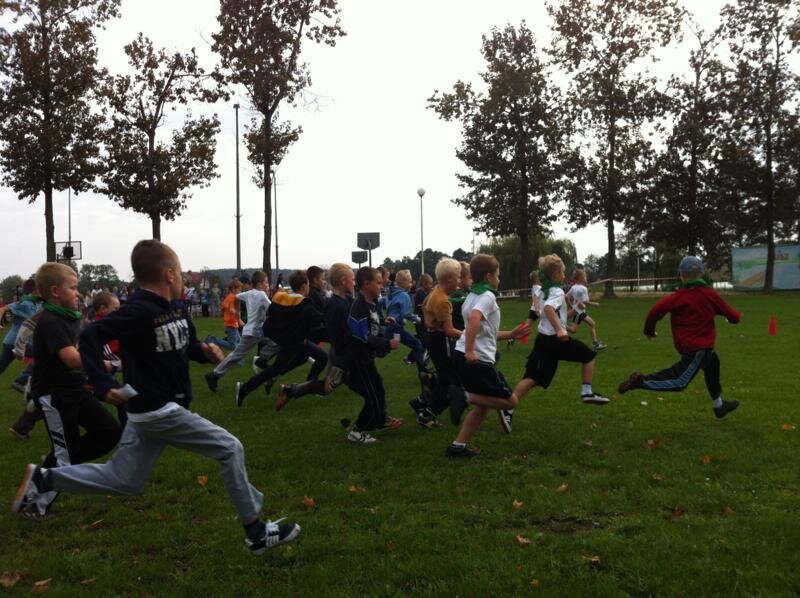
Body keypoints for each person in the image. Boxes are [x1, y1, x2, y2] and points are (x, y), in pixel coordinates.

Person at [13, 240, 300, 554]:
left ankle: (45, 479)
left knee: (124, 480)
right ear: (169, 274)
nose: (181, 277)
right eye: (180, 271)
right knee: (230, 448)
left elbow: (187, 345)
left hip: (149, 411)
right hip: (157, 409)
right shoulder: (138, 310)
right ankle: (256, 532)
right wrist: (103, 384)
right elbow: (92, 337)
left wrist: (205, 353)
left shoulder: (177, 308)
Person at [16, 263, 122, 515]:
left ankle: (49, 467)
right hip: (55, 396)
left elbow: (86, 346)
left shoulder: (71, 316)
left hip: (77, 390)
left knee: (109, 432)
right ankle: (33, 505)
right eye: (73, 288)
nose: (78, 293)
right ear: (55, 291)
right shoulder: (50, 321)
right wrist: (107, 365)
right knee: (65, 454)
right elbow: (73, 359)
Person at [497, 255, 610, 447]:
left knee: (534, 377)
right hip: (555, 340)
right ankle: (587, 391)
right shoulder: (556, 291)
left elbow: (552, 312)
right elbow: (549, 309)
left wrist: (573, 311)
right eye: (563, 272)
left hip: (544, 339)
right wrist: (560, 330)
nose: (565, 275)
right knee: (589, 356)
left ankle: (507, 408)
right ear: (556, 273)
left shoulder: (544, 290)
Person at [617, 256, 741, 419]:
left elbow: (654, 312)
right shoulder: (710, 295)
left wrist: (650, 331)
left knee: (712, 364)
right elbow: (734, 316)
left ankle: (719, 406)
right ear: (702, 273)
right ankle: (641, 381)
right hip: (698, 347)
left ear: (681, 275)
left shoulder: (677, 297)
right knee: (680, 381)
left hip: (692, 347)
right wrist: (730, 317)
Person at [445, 255, 530, 458]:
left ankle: (458, 446)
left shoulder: (472, 296)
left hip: (462, 356)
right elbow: (475, 319)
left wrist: (511, 334)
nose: (499, 279)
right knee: (510, 402)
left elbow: (484, 331)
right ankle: (463, 397)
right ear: (489, 276)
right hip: (477, 360)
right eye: (498, 275)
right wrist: (470, 350)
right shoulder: (487, 296)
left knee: (483, 405)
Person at [328, 266, 403, 444]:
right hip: (357, 359)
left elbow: (372, 322)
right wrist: (386, 344)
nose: (382, 286)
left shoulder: (372, 303)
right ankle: (357, 431)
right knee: (372, 397)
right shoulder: (359, 306)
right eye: (378, 283)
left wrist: (383, 321)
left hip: (366, 357)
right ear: (367, 284)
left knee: (378, 389)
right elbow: (362, 335)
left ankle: (379, 421)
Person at [234, 270, 327, 409]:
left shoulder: (281, 298)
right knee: (322, 357)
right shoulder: (304, 305)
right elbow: (321, 319)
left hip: (287, 340)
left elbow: (271, 314)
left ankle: (245, 388)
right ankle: (309, 386)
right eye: (308, 284)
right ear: (304, 286)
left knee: (277, 369)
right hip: (295, 343)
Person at [411, 258, 464, 428]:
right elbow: (449, 330)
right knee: (451, 381)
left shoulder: (434, 293)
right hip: (441, 341)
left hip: (432, 338)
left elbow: (425, 308)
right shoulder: (443, 301)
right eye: (458, 276)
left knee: (444, 378)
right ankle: (428, 414)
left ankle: (422, 401)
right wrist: (469, 335)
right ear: (449, 278)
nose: (460, 279)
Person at [205, 271, 270, 393]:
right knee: (236, 355)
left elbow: (236, 297)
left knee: (275, 343)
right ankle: (214, 375)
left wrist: (238, 314)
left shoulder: (249, 293)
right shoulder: (261, 294)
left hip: (256, 331)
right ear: (260, 284)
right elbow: (273, 309)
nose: (268, 284)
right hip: (254, 332)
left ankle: (264, 366)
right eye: (266, 282)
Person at [381, 269, 428, 374]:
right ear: (404, 283)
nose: (411, 284)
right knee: (417, 344)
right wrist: (417, 319)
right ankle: (423, 371)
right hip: (396, 327)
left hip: (391, 327)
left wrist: (381, 317)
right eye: (410, 282)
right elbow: (406, 314)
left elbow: (380, 302)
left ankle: (413, 362)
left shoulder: (390, 293)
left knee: (385, 349)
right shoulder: (404, 295)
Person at [565, 269, 607, 350]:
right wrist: (594, 304)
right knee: (573, 330)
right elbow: (585, 301)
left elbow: (566, 297)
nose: (586, 277)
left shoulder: (573, 287)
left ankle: (595, 343)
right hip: (579, 312)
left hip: (579, 311)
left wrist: (571, 306)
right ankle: (560, 325)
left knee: (592, 324)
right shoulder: (584, 289)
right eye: (584, 276)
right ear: (580, 278)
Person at [204, 279, 243, 351]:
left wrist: (227, 310)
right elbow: (230, 309)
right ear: (233, 289)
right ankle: (213, 339)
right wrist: (237, 316)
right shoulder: (233, 297)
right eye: (239, 290)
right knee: (232, 346)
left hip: (231, 323)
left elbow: (223, 306)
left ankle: (237, 358)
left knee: (239, 342)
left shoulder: (229, 297)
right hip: (231, 324)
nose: (241, 292)